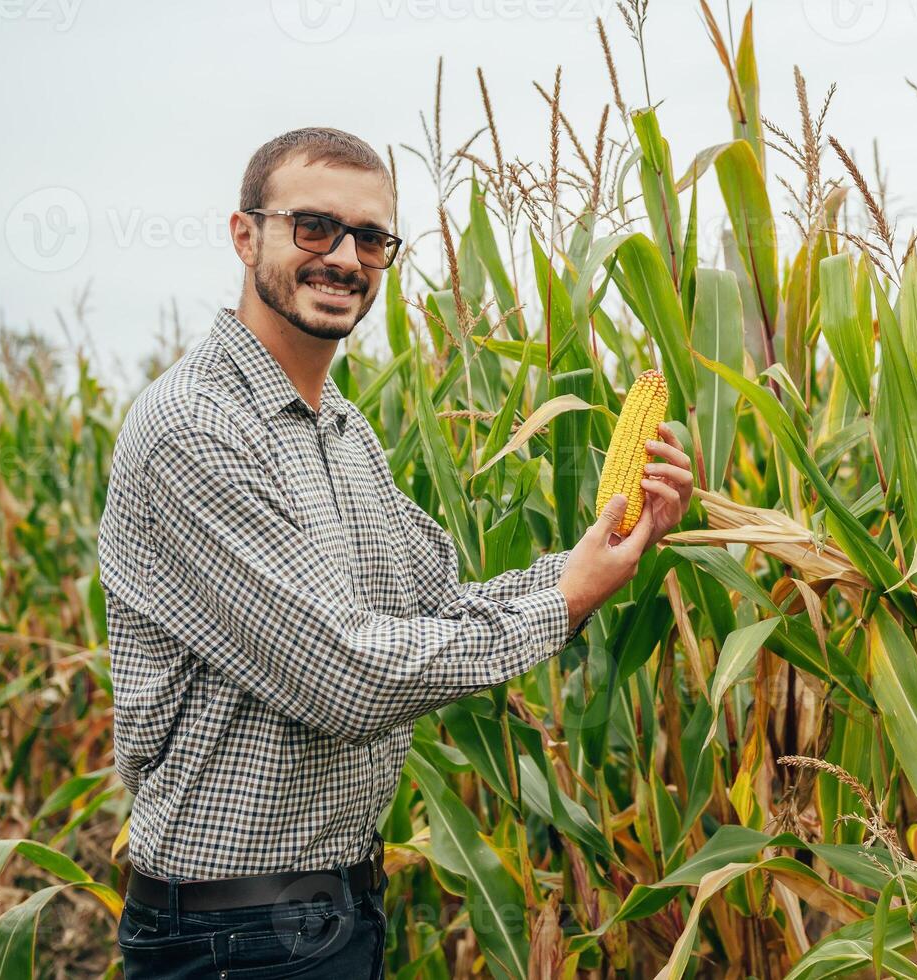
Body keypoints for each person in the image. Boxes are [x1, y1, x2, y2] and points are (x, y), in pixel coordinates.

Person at [96, 126, 693, 978]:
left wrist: (600, 551)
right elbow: (346, 675)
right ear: (244, 234)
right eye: (313, 227)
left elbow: (438, 604)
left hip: (335, 909)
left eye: (371, 238)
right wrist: (564, 601)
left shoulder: (341, 428)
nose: (344, 256)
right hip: (234, 936)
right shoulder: (197, 429)